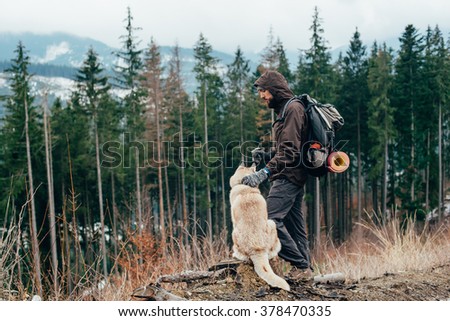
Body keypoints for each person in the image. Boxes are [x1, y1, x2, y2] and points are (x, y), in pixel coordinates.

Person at [241, 70, 312, 278]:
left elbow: (290, 152)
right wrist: (265, 155)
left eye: (264, 91)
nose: (261, 96)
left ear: (275, 89)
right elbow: (287, 149)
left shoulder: (293, 109)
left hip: (288, 176)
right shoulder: (286, 110)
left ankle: (299, 266)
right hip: (291, 174)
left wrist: (264, 172)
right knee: (294, 224)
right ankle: (305, 269)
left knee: (269, 219)